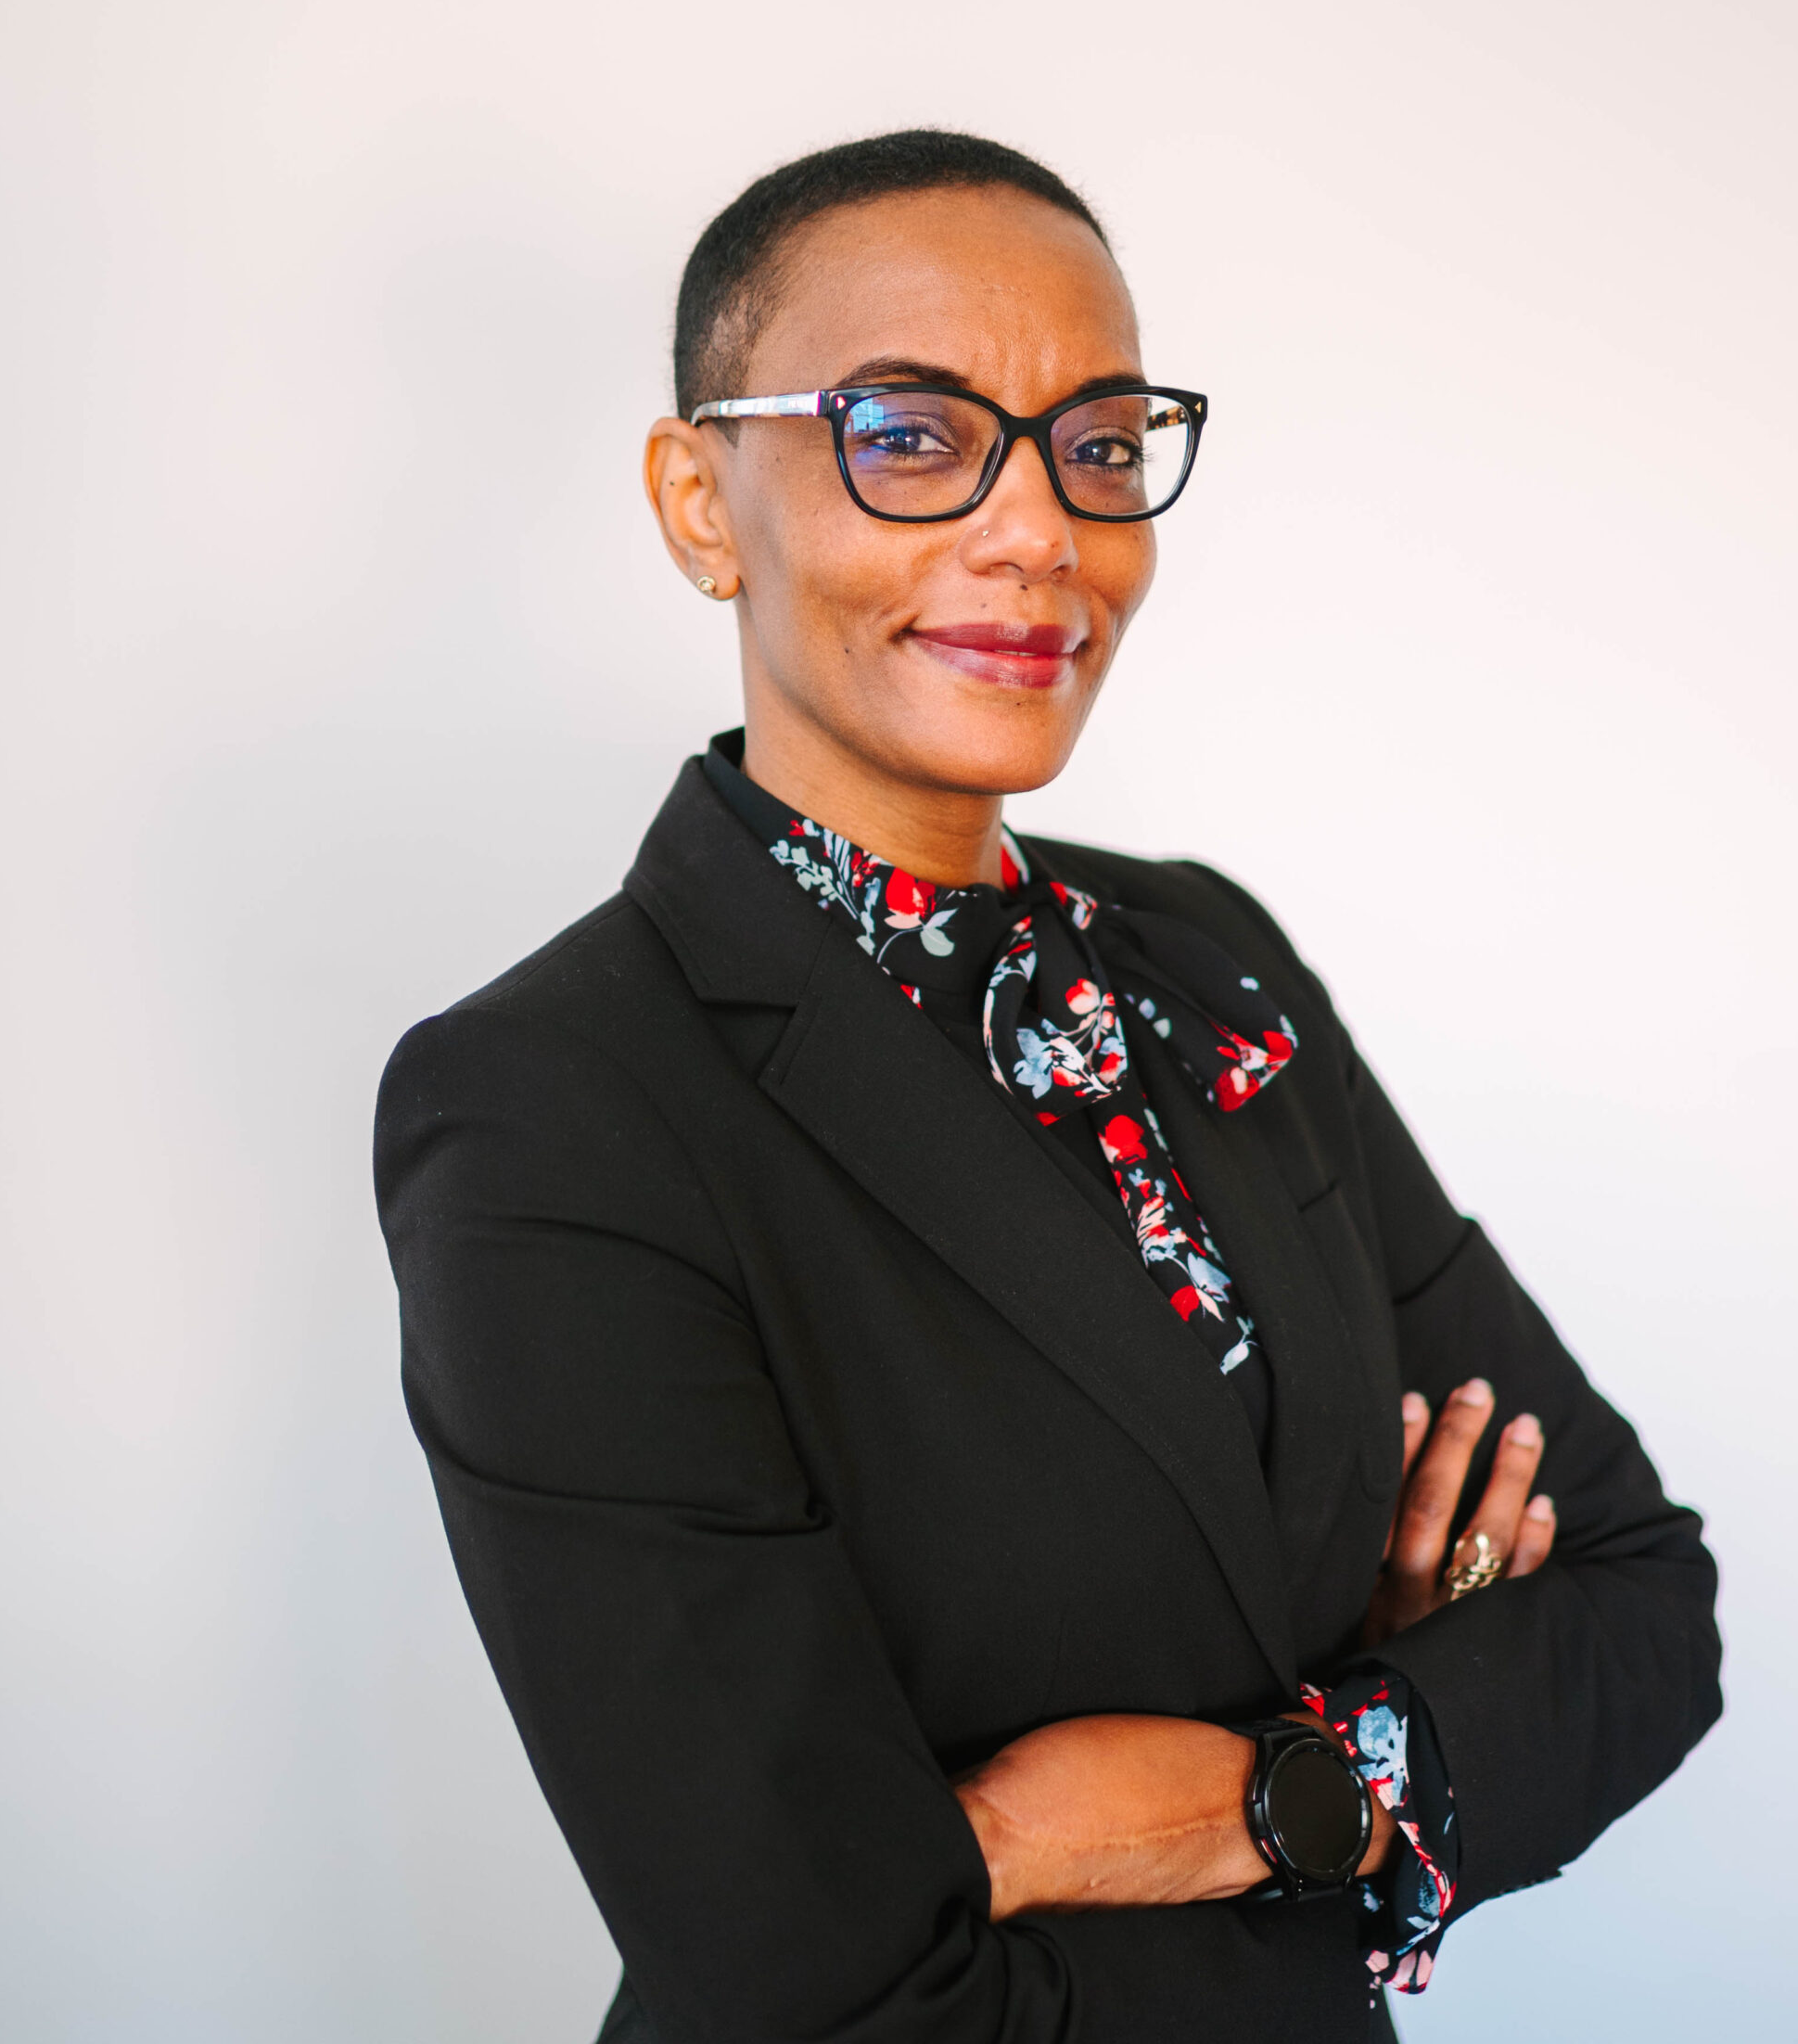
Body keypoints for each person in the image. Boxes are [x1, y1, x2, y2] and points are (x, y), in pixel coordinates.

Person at [374, 131, 1720, 2043]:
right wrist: (1405, 1721)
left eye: (1095, 444)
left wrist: (1256, 1799)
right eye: (910, 437)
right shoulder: (550, 1110)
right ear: (698, 499)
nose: (1041, 532)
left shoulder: (1203, 964)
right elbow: (811, 1967)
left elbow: (1639, 1610)